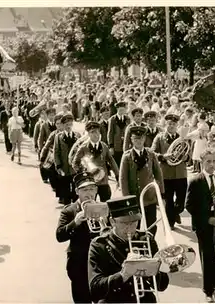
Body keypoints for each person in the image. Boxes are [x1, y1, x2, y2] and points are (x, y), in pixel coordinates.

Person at [88, 195, 170, 303]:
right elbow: (95, 289)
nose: (130, 228)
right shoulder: (99, 245)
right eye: (124, 223)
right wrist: (123, 275)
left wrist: (151, 269)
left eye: (134, 222)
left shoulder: (146, 239)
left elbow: (162, 286)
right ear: (112, 222)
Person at [185, 148, 215, 301]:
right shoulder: (195, 181)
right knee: (208, 256)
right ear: (201, 163)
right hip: (204, 224)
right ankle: (208, 289)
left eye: (214, 161)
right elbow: (190, 205)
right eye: (208, 162)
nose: (212, 165)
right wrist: (206, 218)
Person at [56, 172, 101, 303]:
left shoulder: (104, 208)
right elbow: (59, 236)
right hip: (79, 263)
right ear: (77, 191)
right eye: (85, 189)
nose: (89, 193)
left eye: (92, 189)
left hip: (100, 263)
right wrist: (75, 222)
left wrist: (105, 222)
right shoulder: (69, 211)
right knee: (82, 299)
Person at [119, 126, 164, 236]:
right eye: (135, 139)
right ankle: (136, 247)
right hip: (134, 198)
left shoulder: (151, 154)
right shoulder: (127, 156)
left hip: (149, 198)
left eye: (140, 138)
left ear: (144, 139)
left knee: (152, 225)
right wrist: (127, 199)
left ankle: (150, 244)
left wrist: (161, 195)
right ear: (131, 140)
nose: (138, 141)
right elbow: (123, 179)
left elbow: (158, 174)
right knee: (135, 227)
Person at [152, 113, 189, 228]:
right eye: (169, 124)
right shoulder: (159, 137)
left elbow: (189, 154)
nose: (171, 126)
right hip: (166, 174)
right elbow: (152, 152)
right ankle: (170, 222)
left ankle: (175, 212)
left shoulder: (182, 138)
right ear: (165, 124)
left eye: (174, 124)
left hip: (180, 174)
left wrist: (186, 157)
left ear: (177, 125)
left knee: (182, 201)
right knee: (168, 200)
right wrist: (163, 156)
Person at [72, 121, 119, 202]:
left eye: (97, 132)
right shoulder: (83, 147)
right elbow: (74, 163)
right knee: (90, 203)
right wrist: (82, 173)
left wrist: (117, 175)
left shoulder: (104, 146)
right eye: (92, 132)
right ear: (88, 134)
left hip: (103, 180)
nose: (95, 134)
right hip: (90, 182)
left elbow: (111, 161)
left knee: (106, 202)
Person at [54, 113, 81, 205]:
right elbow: (56, 153)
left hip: (75, 169)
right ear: (63, 125)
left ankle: (76, 210)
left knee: (76, 191)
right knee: (65, 191)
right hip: (64, 168)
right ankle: (67, 209)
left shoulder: (77, 136)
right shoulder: (58, 137)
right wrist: (58, 167)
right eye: (66, 125)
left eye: (70, 124)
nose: (68, 126)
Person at [108, 101, 130, 166]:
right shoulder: (112, 119)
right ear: (117, 109)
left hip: (125, 145)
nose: (122, 111)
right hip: (116, 145)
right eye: (120, 109)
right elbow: (110, 133)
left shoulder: (127, 118)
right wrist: (111, 146)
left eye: (123, 109)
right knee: (117, 163)